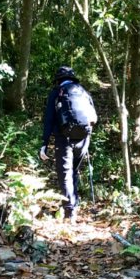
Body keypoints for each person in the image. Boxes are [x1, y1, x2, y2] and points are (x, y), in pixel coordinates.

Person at [40, 66, 97, 223]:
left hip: (63, 138)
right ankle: (74, 204)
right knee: (74, 171)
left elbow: (49, 119)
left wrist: (44, 143)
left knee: (65, 173)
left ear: (58, 79)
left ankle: (69, 211)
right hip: (84, 138)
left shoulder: (57, 92)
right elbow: (93, 117)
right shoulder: (83, 92)